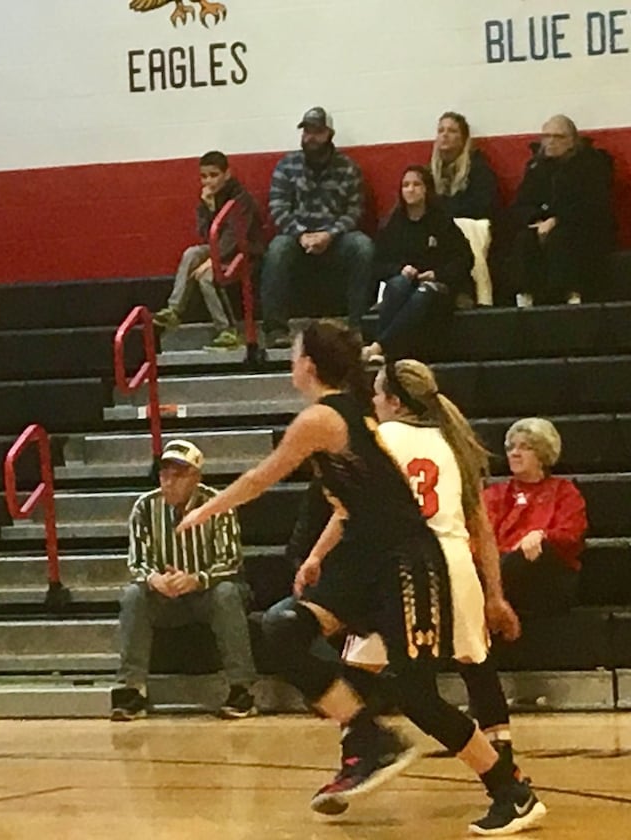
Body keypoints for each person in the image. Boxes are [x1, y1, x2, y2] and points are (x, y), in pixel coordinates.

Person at [177, 322, 545, 834]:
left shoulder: (322, 418)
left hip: (405, 561)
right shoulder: (353, 415)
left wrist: (205, 510)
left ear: (309, 364)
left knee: (418, 695)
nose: (290, 359)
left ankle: (511, 791)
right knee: (283, 628)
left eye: (295, 351)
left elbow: (263, 477)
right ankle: (365, 732)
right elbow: (350, 508)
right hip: (364, 560)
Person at [315, 360, 522, 783]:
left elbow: (347, 512)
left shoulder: (378, 440)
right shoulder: (453, 442)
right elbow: (481, 526)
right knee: (475, 664)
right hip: (456, 562)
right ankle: (506, 768)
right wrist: (495, 594)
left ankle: (360, 756)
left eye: (377, 393)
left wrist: (316, 557)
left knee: (360, 672)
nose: (373, 400)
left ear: (392, 400)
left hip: (403, 566)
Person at [111, 440, 255, 722]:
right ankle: (131, 690)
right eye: (164, 474)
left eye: (178, 475)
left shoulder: (218, 503)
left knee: (227, 593)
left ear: (196, 477)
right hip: (166, 597)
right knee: (133, 596)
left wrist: (196, 580)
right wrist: (156, 579)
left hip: (207, 593)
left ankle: (242, 689)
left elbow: (231, 560)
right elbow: (137, 562)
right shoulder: (144, 507)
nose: (169, 482)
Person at [261, 107, 376, 347]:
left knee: (363, 246)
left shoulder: (347, 168)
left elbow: (354, 211)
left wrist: (329, 235)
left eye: (316, 131)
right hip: (297, 240)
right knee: (277, 248)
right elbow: (278, 207)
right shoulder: (287, 166)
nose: (310, 137)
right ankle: (275, 330)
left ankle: (358, 327)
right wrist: (300, 234)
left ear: (329, 134)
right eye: (306, 131)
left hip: (335, 240)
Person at [154, 151, 269, 350]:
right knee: (191, 253)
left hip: (246, 253)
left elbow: (234, 237)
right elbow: (206, 235)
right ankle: (174, 310)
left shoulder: (241, 200)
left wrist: (212, 261)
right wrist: (207, 207)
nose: (209, 181)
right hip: (222, 250)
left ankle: (228, 330)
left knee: (207, 276)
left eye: (214, 175)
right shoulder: (208, 199)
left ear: (227, 174)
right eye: (204, 176)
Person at [361, 165, 474, 363]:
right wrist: (400, 270)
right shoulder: (394, 223)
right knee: (397, 285)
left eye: (416, 184)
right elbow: (378, 264)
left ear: (426, 189)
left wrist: (436, 274)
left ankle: (379, 347)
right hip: (406, 284)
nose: (410, 189)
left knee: (424, 293)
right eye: (405, 185)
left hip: (439, 286)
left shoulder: (441, 221)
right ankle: (386, 350)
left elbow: (465, 258)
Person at [506, 115, 617, 306]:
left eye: (558, 137)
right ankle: (525, 297)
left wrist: (557, 220)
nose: (551, 142)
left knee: (561, 239)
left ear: (572, 140)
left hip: (582, 226)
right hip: (540, 225)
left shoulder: (591, 165)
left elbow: (593, 205)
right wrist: (536, 219)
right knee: (524, 240)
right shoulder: (535, 167)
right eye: (547, 136)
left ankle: (571, 295)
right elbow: (520, 204)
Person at [483, 418, 587, 618]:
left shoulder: (565, 492)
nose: (514, 453)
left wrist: (541, 535)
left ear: (542, 454)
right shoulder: (494, 495)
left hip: (547, 577)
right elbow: (481, 536)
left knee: (533, 554)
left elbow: (571, 536)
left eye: (525, 447)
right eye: (511, 447)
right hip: (501, 570)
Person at [430, 112, 500, 306]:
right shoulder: (429, 172)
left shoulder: (478, 169)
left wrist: (447, 215)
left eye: (451, 131)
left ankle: (467, 292)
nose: (444, 135)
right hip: (441, 226)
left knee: (461, 231)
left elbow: (484, 204)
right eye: (441, 130)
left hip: (473, 226)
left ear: (464, 138)